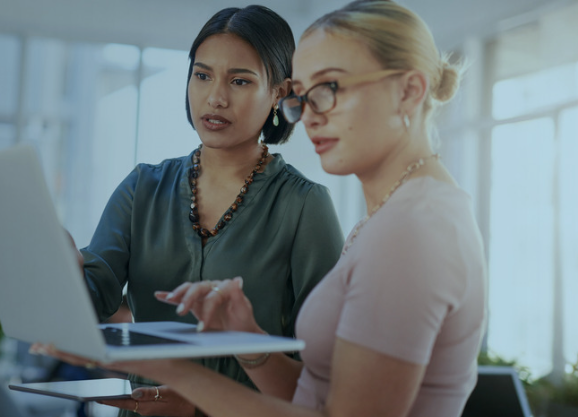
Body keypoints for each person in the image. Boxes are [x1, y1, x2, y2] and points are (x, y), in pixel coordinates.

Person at [35, 1, 487, 417]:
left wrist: (185, 385)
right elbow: (316, 389)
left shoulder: (406, 227)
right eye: (306, 95)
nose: (309, 114)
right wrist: (248, 342)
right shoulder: (394, 220)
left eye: (329, 88)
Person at [60, 5, 345, 417]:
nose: (215, 97)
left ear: (280, 94)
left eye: (240, 80)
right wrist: (62, 272)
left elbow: (325, 372)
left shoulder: (304, 205)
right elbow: (93, 299)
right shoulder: (142, 188)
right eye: (202, 74)